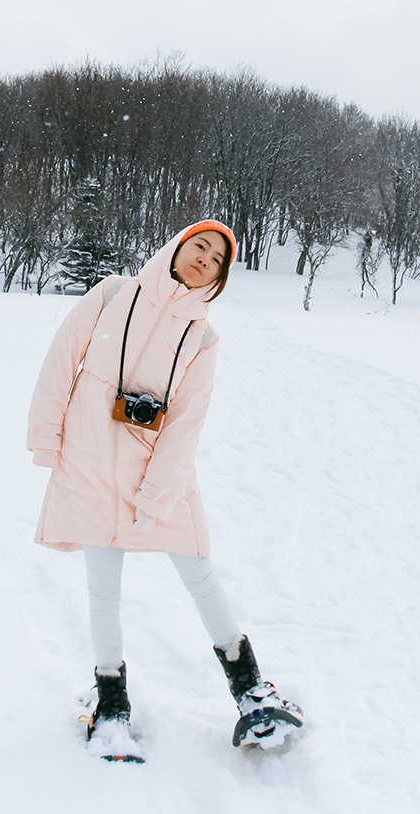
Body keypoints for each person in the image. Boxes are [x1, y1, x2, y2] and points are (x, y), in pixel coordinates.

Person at [26, 219, 304, 760]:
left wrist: (155, 494)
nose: (205, 258)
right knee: (102, 587)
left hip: (159, 470)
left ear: (219, 278)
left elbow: (186, 423)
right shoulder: (113, 292)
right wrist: (46, 438)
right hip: (90, 464)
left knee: (199, 571)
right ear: (177, 246)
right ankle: (111, 700)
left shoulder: (203, 336)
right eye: (199, 245)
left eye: (217, 259)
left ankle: (250, 690)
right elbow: (61, 360)